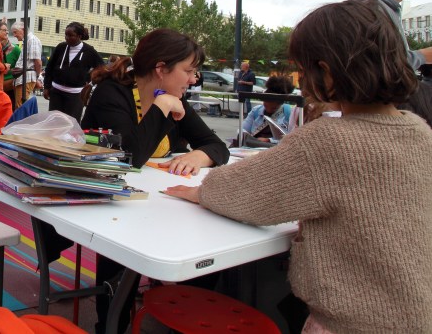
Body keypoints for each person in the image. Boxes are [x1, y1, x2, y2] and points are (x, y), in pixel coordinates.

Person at [166, 0, 432, 333]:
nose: (301, 81)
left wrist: (202, 191)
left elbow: (246, 193)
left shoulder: (328, 141)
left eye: (303, 70)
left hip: (351, 324)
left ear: (327, 73)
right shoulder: (420, 130)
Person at [81, 28, 229, 333]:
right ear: (161, 69)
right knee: (122, 242)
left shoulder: (174, 98)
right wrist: (162, 107)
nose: (193, 79)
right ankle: (111, 325)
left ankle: (180, 318)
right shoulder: (112, 94)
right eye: (188, 71)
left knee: (208, 246)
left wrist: (197, 156)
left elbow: (217, 146)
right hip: (105, 202)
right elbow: (129, 157)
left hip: (153, 202)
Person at [43, 22, 103, 122]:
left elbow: (101, 67)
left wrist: (89, 80)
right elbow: (50, 67)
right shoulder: (61, 47)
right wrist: (46, 86)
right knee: (54, 123)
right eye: (66, 35)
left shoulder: (89, 51)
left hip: (76, 94)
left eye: (70, 35)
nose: (67, 38)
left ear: (79, 36)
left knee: (72, 123)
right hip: (56, 92)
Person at [240, 75, 295, 145]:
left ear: (281, 104)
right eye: (265, 106)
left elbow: (292, 139)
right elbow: (243, 129)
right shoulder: (256, 111)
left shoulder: (289, 114)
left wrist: (269, 140)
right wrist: (245, 136)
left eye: (273, 108)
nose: (268, 110)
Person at [11, 21, 43, 108]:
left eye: (15, 32)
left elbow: (38, 62)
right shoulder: (29, 40)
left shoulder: (32, 40)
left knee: (20, 107)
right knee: (19, 105)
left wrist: (37, 77)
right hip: (23, 77)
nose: (14, 35)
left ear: (23, 30)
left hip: (26, 78)